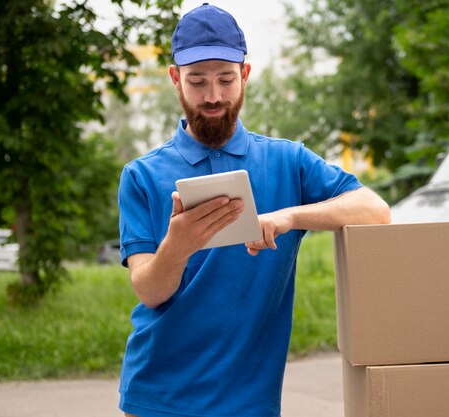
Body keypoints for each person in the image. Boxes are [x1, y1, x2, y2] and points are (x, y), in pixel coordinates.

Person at [117, 3, 390, 417]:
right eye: (197, 82)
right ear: (176, 80)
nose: (213, 96)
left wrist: (289, 216)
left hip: (251, 402)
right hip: (159, 397)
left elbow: (375, 210)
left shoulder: (287, 161)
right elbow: (150, 291)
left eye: (226, 79)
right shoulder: (141, 176)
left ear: (245, 75)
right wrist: (178, 245)